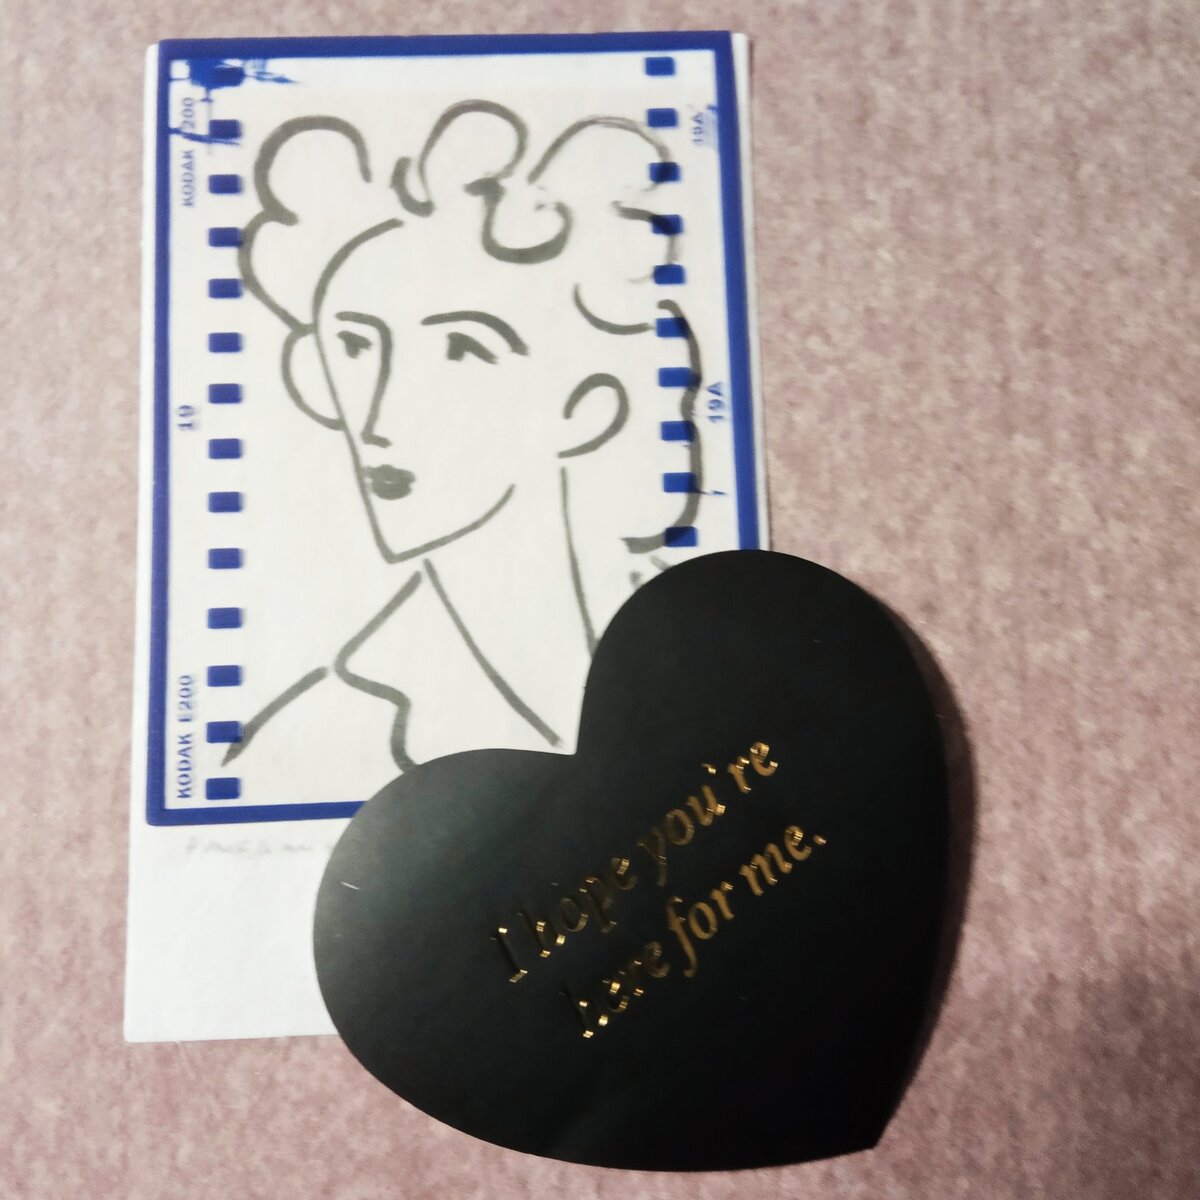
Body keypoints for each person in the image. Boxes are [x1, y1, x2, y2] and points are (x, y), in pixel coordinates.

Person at [227, 102, 704, 780]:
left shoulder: (715, 640)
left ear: (585, 407)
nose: (378, 419)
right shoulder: (310, 739)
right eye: (356, 346)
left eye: (461, 349)